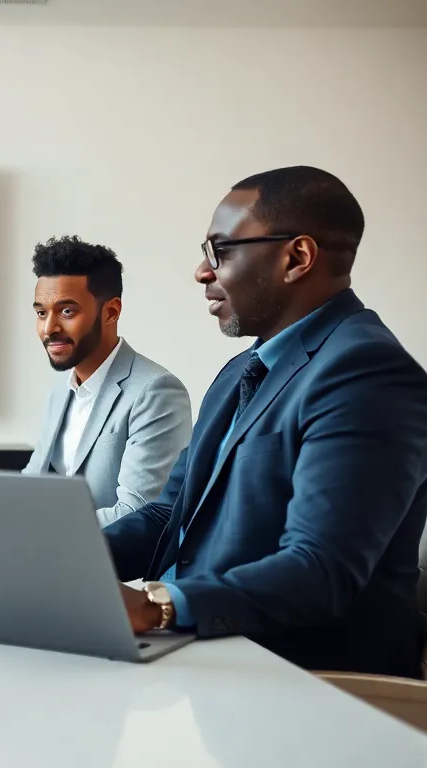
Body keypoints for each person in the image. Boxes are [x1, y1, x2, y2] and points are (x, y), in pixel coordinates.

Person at [110, 166, 427, 678]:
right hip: (204, 660)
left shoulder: (367, 373)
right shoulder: (243, 368)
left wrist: (158, 604)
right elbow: (171, 515)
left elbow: (320, 568)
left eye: (220, 251)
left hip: (307, 687)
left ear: (296, 257)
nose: (201, 272)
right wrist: (63, 563)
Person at [22, 236, 193, 526]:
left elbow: (140, 513)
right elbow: (32, 484)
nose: (49, 328)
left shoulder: (156, 391)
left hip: (118, 568)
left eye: (67, 311)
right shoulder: (61, 390)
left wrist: (39, 530)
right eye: (41, 313)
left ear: (111, 312)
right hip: (50, 560)